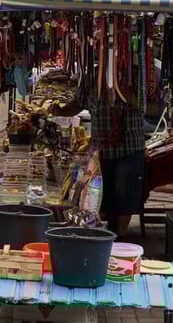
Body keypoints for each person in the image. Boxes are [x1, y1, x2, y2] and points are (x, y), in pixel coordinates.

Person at [52, 86, 145, 238]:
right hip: (100, 151)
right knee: (98, 200)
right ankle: (102, 238)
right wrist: (61, 111)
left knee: (124, 199)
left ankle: (119, 240)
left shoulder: (134, 75)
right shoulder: (91, 77)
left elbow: (153, 108)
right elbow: (78, 103)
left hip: (129, 149)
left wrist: (135, 100)